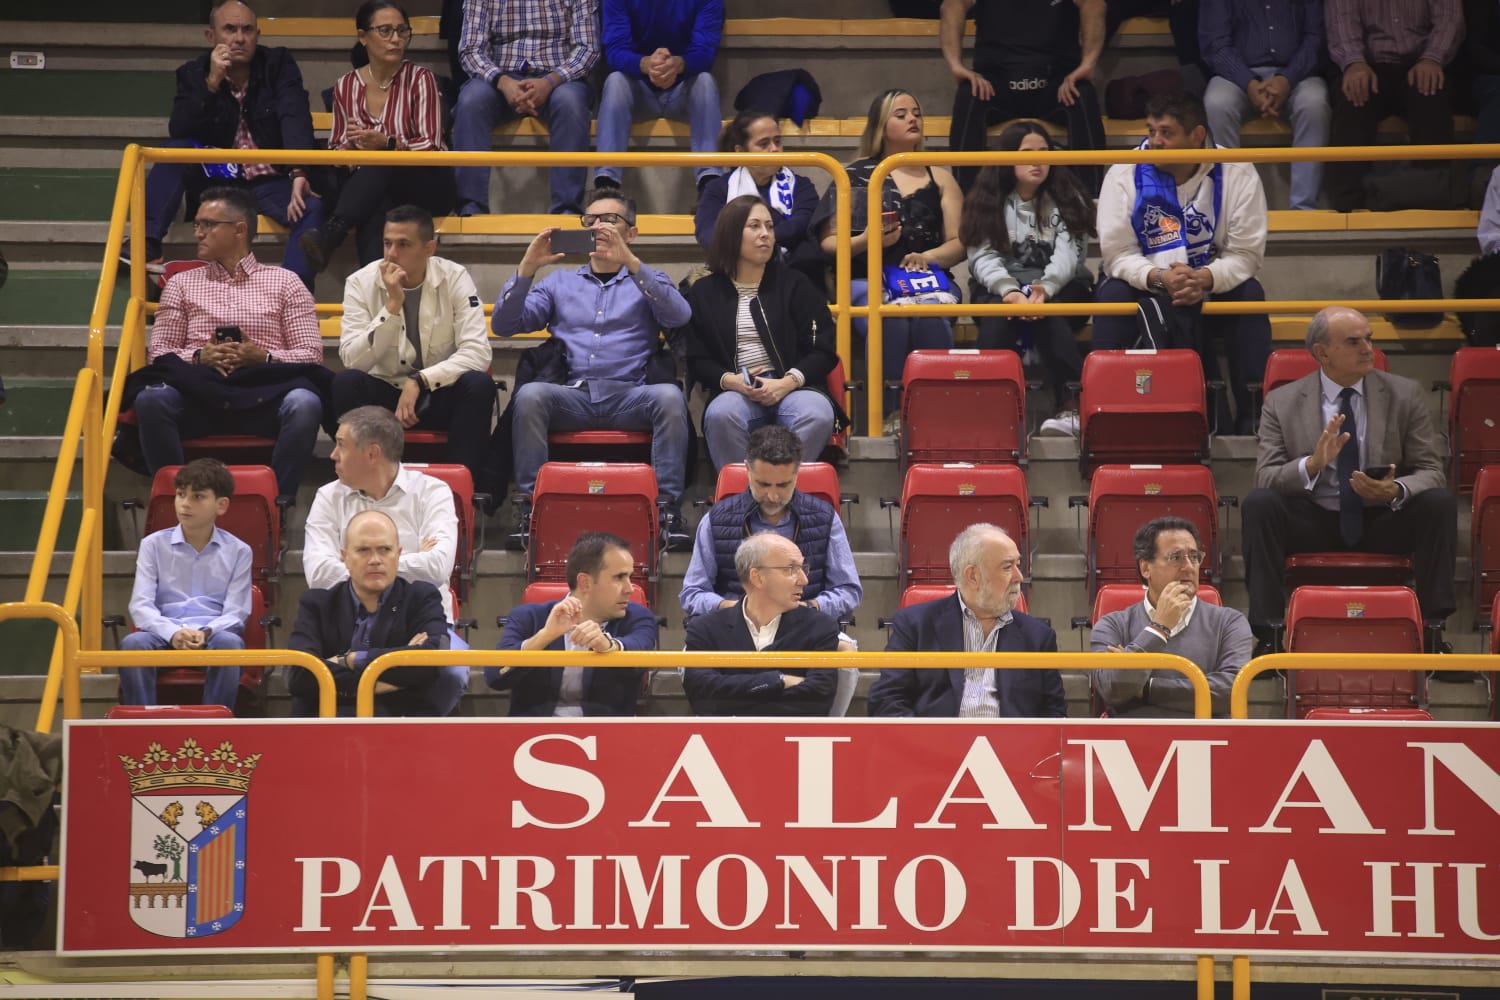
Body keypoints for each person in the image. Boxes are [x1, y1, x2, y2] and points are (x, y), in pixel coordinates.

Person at [1241, 306, 1457, 651]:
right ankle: (1268, 635)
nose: (1368, 349)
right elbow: (1265, 476)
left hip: (1381, 518)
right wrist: (1312, 464)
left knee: (1439, 504)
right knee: (1260, 504)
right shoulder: (1282, 402)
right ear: (1322, 352)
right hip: (1314, 519)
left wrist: (1395, 489)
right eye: (1354, 341)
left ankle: (1433, 631)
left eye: (1369, 339)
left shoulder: (1404, 394)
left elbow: (1431, 471)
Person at [492, 188, 692, 535]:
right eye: (591, 220)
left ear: (632, 233)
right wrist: (527, 268)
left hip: (631, 395)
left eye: (610, 220)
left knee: (670, 398)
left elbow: (679, 315)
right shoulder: (560, 282)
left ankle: (666, 511)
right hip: (574, 395)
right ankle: (532, 508)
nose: (598, 227)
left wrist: (631, 263)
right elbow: (505, 325)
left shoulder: (649, 278)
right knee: (530, 396)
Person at [125, 184, 326, 503]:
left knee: (305, 403)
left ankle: (279, 505)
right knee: (151, 399)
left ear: (239, 230)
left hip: (264, 395)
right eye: (196, 224)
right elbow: (160, 353)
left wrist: (264, 356)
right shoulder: (179, 284)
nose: (198, 233)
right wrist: (199, 356)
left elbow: (311, 355)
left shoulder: (286, 282)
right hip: (198, 394)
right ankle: (176, 501)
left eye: (208, 224)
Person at [1093, 90, 1271, 434]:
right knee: (1111, 297)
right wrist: (1158, 276)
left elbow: (1247, 253)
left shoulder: (1237, 170)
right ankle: (1102, 410)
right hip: (1149, 284)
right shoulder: (1124, 172)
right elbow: (1116, 254)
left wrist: (1204, 278)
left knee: (1250, 296)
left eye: (1166, 133)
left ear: (1197, 136)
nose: (1155, 142)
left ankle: (1254, 415)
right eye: (1151, 131)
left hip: (1210, 284)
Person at [129, 0, 323, 290]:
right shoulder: (194, 72)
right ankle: (146, 241)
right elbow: (180, 130)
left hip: (269, 179)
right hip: (216, 180)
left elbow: (294, 116)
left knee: (312, 206)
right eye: (230, 29)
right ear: (211, 37)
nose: (239, 38)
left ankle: (292, 293)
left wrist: (299, 171)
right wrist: (212, 82)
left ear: (257, 35)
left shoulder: (278, 64)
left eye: (247, 30)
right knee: (175, 148)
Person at [302, 405, 471, 714]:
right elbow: (318, 573)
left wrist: (361, 567)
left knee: (451, 672)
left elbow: (438, 566)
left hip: (419, 621)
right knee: (306, 674)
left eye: (341, 444)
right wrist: (406, 560)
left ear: (372, 453)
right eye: (363, 552)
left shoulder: (433, 492)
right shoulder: (328, 497)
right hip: (347, 623)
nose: (332, 455)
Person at [811, 89, 965, 427]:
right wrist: (867, 241)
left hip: (925, 279)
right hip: (866, 278)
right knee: (889, 317)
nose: (913, 119)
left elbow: (958, 244)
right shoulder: (852, 176)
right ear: (880, 125)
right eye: (901, 114)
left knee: (930, 316)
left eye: (917, 112)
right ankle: (893, 413)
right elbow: (828, 244)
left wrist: (927, 256)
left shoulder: (941, 177)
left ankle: (939, 412)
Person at [333, 204, 498, 498]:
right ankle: (364, 489)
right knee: (346, 382)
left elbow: (477, 352)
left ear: (429, 248)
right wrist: (391, 307)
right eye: (387, 243)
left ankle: (461, 496)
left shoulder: (455, 277)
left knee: (478, 384)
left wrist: (420, 380)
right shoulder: (360, 282)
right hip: (384, 397)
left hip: (438, 393)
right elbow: (353, 359)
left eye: (403, 245)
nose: (391, 254)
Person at [960, 121, 1095, 437]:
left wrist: (1044, 289)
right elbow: (982, 257)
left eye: (1045, 152)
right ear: (1007, 158)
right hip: (1001, 287)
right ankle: (985, 407)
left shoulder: (1068, 196)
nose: (1038, 161)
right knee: (996, 319)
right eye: (1027, 153)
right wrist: (1009, 291)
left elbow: (1068, 256)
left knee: (1051, 316)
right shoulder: (986, 198)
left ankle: (1072, 406)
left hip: (1061, 286)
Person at [300, 0, 457, 272]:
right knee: (376, 208)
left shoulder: (421, 79)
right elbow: (336, 147)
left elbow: (431, 146)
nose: (396, 39)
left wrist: (388, 143)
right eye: (385, 31)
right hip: (370, 188)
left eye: (402, 31)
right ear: (363, 36)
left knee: (382, 159)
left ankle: (332, 233)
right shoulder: (346, 85)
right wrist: (350, 149)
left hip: (425, 182)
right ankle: (380, 291)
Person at [686, 195, 839, 468]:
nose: (765, 235)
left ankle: (781, 492)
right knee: (721, 415)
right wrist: (731, 381)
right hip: (738, 390)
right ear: (731, 234)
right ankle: (741, 499)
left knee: (817, 414)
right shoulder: (704, 292)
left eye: (769, 226)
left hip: (792, 387)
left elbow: (823, 350)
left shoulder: (795, 284)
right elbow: (698, 359)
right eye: (754, 226)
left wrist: (786, 383)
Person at [867, 523, 1067, 718]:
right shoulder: (915, 625)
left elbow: (1054, 714)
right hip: (934, 747)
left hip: (1012, 748)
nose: (1019, 577)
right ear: (973, 576)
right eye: (1007, 567)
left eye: (1018, 565)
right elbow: (886, 700)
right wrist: (924, 743)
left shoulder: (1038, 637)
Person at [679, 425, 862, 625]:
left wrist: (811, 608)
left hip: (805, 629)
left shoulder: (825, 518)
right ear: (747, 469)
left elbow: (848, 590)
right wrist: (737, 609)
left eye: (783, 485)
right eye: (763, 484)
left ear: (797, 473)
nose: (773, 496)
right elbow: (692, 593)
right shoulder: (716, 520)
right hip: (735, 632)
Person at [286, 509, 452, 716]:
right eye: (363, 550)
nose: (375, 559)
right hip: (328, 723)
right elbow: (300, 676)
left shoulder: (421, 598)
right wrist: (383, 678)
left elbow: (430, 662)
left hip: (401, 723)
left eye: (385, 549)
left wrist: (349, 660)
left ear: (398, 554)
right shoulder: (317, 603)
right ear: (345, 557)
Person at [118, 459, 252, 711]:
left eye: (198, 496)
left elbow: (236, 612)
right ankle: (139, 727)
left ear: (221, 505)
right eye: (181, 495)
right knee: (133, 645)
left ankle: (214, 727)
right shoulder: (153, 545)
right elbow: (141, 605)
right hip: (163, 632)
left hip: (212, 634)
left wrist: (205, 632)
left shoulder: (239, 550)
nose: (185, 503)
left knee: (230, 645)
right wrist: (172, 633)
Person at [1091, 516, 1252, 717]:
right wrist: (1158, 629)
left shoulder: (1230, 622)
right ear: (1145, 568)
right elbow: (1114, 689)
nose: (1188, 566)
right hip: (1134, 741)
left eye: (1194, 557)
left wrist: (1146, 689)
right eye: (1176, 557)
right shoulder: (1112, 624)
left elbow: (1231, 693)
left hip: (1206, 743)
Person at [941, 0, 1106, 192]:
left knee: (1083, 93)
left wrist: (1088, 63)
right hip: (995, 85)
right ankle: (966, 198)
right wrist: (955, 65)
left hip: (1057, 85)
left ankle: (1091, 199)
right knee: (968, 94)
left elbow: (1095, 5)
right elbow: (951, 6)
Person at [453, 0, 599, 216]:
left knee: (570, 104)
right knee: (471, 101)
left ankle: (566, 209)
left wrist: (548, 83)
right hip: (499, 79)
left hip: (558, 79)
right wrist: (503, 82)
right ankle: (471, 209)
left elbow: (588, 50)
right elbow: (470, 49)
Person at [487, 531, 655, 715]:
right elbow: (495, 677)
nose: (630, 589)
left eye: (630, 577)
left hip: (606, 735)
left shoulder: (638, 618)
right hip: (534, 735)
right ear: (585, 583)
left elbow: (638, 659)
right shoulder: (529, 617)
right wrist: (545, 636)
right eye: (619, 577)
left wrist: (607, 646)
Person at [1323, 0, 1463, 212]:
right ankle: (1348, 208)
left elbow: (1449, 19)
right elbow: (1341, 22)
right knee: (1353, 96)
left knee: (1431, 92)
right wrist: (1354, 62)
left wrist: (1432, 58)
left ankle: (1433, 201)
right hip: (1369, 64)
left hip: (1420, 62)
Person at [682, 533, 842, 716]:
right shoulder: (705, 629)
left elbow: (817, 700)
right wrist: (778, 680)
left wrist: (736, 695)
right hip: (724, 741)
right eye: (791, 569)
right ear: (757, 577)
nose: (804, 580)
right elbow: (703, 698)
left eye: (803, 568)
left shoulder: (820, 627)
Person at [1199, 0, 1331, 211]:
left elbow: (1317, 38)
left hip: (1297, 74)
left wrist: (1287, 79)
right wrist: (1248, 82)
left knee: (1314, 103)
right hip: (1236, 76)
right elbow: (1215, 44)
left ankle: (1303, 208)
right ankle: (1229, 208)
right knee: (1216, 103)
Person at [595, 0, 723, 195]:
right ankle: (606, 186)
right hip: (637, 91)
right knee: (615, 81)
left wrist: (678, 64)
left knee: (705, 82)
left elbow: (706, 51)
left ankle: (710, 186)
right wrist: (645, 64)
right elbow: (614, 50)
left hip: (683, 90)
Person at [693, 111, 821, 278]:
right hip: (734, 275)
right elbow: (707, 234)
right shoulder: (717, 189)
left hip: (791, 273)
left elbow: (800, 227)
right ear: (740, 151)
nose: (774, 149)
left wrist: (746, 239)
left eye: (777, 141)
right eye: (764, 144)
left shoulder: (802, 186)